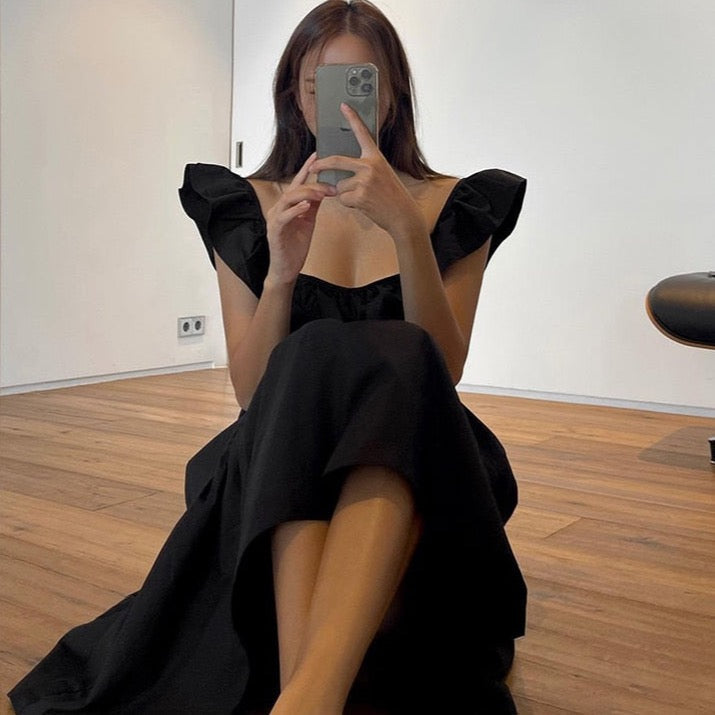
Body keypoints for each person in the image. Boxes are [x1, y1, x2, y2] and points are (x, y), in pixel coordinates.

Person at [8, 1, 527, 712]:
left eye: (359, 83)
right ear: (294, 95)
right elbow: (254, 393)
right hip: (281, 449)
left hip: (419, 452)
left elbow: (444, 369)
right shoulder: (248, 205)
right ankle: (312, 694)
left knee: (399, 354)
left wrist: (407, 232)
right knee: (309, 356)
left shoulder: (453, 204)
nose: (336, 105)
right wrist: (281, 270)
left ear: (393, 93)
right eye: (318, 85)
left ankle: (303, 693)